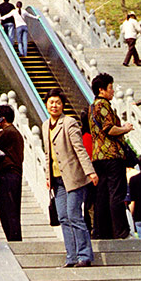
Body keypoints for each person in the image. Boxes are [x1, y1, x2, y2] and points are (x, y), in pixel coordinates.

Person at [43, 91, 98, 267]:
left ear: (63, 105)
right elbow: (48, 154)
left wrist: (90, 172)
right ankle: (71, 256)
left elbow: (79, 149)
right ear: (46, 104)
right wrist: (47, 176)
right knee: (63, 217)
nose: (54, 106)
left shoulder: (69, 123)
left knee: (75, 215)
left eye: (58, 103)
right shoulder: (45, 126)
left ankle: (85, 255)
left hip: (73, 177)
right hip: (57, 179)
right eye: (51, 102)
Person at [89, 72, 132, 240]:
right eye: (110, 88)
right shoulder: (104, 105)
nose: (112, 91)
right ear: (102, 90)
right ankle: (121, 231)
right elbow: (109, 128)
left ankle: (101, 231)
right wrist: (125, 129)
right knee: (116, 193)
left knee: (101, 195)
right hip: (112, 155)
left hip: (98, 156)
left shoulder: (92, 107)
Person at [0, 104, 24, 241]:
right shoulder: (10, 132)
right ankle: (13, 239)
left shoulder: (8, 133)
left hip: (9, 174)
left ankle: (14, 240)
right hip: (9, 174)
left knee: (9, 210)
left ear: (2, 119)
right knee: (7, 210)